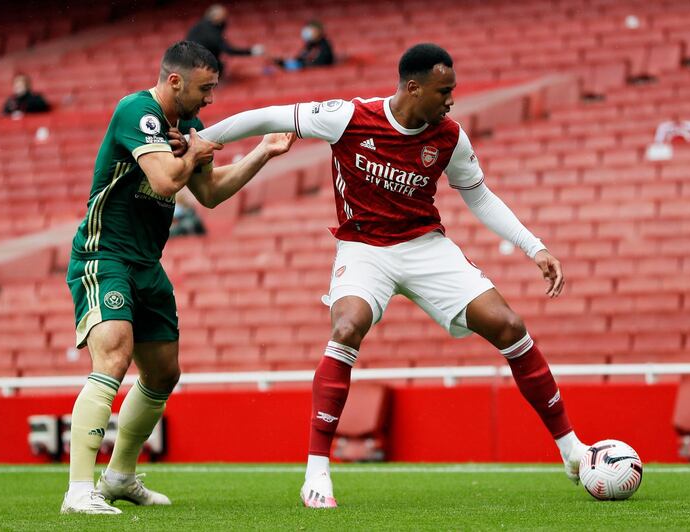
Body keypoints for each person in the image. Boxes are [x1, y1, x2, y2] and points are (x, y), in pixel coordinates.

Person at [196, 43, 589, 509]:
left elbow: (479, 197)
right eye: (444, 91)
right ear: (413, 87)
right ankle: (317, 469)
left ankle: (572, 451)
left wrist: (534, 245)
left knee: (510, 326)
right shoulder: (348, 117)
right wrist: (207, 139)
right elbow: (266, 117)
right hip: (363, 248)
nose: (450, 101)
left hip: (424, 246)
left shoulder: (449, 137)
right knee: (346, 327)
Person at [61, 40, 294, 515]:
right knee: (114, 355)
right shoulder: (138, 112)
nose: (209, 100)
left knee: (164, 372)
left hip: (147, 263)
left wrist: (262, 153)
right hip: (103, 256)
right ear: (175, 81)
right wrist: (194, 153)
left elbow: (207, 193)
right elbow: (168, 181)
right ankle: (79, 491)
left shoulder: (189, 128)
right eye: (204, 89)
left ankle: (120, 477)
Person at [186, 4, 263, 78]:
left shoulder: (200, 26)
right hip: (201, 65)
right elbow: (229, 50)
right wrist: (252, 51)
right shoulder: (211, 32)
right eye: (222, 16)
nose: (225, 19)